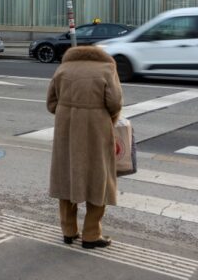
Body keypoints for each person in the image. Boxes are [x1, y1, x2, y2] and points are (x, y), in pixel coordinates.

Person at [46, 45, 122, 249]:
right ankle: (91, 234)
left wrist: (67, 112)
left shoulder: (64, 68)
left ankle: (68, 231)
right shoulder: (107, 69)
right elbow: (114, 103)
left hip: (66, 128)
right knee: (98, 178)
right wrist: (109, 119)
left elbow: (51, 103)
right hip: (96, 128)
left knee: (66, 177)